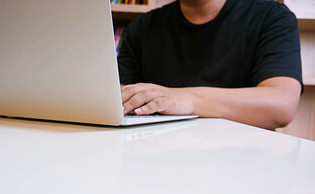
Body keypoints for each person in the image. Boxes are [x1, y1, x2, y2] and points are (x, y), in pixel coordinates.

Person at [118, 0, 303, 130]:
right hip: (158, 159)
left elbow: (281, 104)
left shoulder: (271, 16)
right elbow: (118, 96)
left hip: (244, 164)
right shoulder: (141, 26)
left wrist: (184, 99)